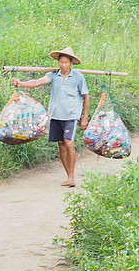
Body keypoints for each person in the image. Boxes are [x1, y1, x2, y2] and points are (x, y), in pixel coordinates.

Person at [12, 46, 90, 187]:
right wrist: (21, 83)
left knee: (68, 143)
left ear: (71, 63)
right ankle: (68, 176)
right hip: (55, 115)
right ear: (58, 62)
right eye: (61, 62)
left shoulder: (78, 77)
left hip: (71, 116)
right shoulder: (53, 75)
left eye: (66, 62)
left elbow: (86, 96)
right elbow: (37, 82)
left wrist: (84, 117)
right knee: (60, 144)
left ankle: (72, 177)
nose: (64, 65)